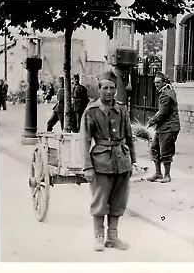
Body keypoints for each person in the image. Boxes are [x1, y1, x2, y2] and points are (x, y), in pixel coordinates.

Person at [80, 70, 136, 252]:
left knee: (118, 201)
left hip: (122, 161)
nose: (109, 92)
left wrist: (132, 161)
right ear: (99, 89)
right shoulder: (91, 111)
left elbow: (129, 136)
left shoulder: (122, 110)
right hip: (101, 162)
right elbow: (85, 140)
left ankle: (113, 237)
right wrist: (87, 167)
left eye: (112, 88)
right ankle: (98, 237)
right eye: (105, 88)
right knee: (100, 201)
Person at [147, 71, 180, 183]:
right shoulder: (166, 91)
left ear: (164, 82)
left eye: (158, 82)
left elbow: (163, 113)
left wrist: (151, 121)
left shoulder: (166, 94)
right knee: (154, 148)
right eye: (155, 83)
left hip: (169, 127)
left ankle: (167, 175)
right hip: (163, 127)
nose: (156, 85)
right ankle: (158, 173)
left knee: (165, 151)